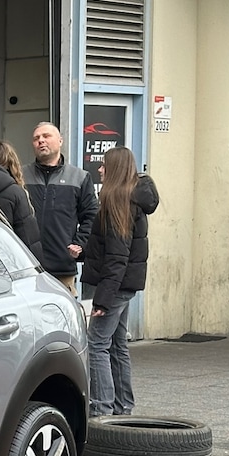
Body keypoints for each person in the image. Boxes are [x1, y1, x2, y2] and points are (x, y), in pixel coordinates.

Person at [79, 146, 160, 418]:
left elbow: (117, 255)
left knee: (98, 343)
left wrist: (102, 299)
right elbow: (115, 249)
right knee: (117, 344)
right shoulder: (134, 199)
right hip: (125, 285)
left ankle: (101, 409)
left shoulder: (117, 200)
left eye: (104, 166)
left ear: (115, 170)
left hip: (114, 286)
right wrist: (86, 252)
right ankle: (122, 407)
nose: (99, 170)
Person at [22, 121, 99, 293]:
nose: (41, 140)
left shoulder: (79, 177)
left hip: (62, 269)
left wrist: (80, 244)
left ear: (60, 141)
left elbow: (92, 216)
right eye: (36, 138)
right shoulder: (21, 176)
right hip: (27, 268)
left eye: (46, 136)